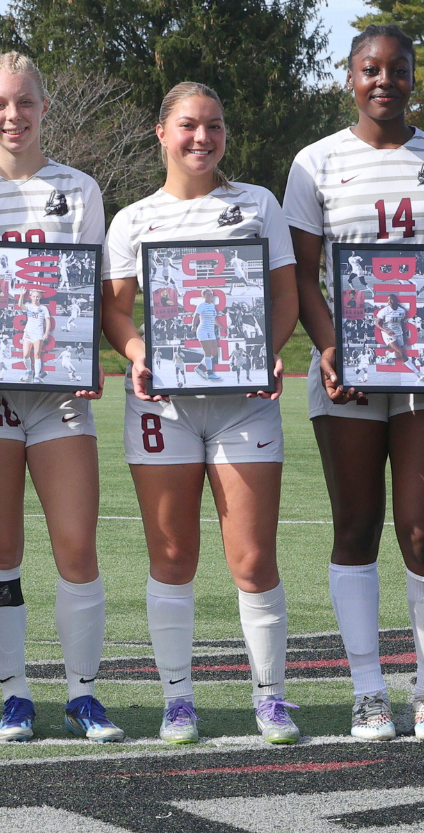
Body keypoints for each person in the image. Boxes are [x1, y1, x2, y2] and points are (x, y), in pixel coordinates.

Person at [285, 25, 424, 742]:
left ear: (412, 77)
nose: (384, 80)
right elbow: (302, 275)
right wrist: (331, 347)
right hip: (350, 369)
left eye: (398, 69)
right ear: (350, 77)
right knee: (356, 525)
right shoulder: (315, 164)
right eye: (371, 68)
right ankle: (368, 690)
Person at [103, 82, 302, 745]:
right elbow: (116, 311)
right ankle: (177, 699)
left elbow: (285, 298)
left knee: (251, 558)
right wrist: (135, 352)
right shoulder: (134, 219)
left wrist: (267, 353)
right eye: (188, 125)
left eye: (214, 126)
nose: (202, 138)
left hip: (244, 404)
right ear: (161, 132)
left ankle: (271, 697)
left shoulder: (258, 205)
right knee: (173, 553)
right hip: (165, 407)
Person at [0, 53, 119, 743]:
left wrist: (90, 356)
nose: (13, 116)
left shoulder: (79, 188)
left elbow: (91, 289)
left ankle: (82, 694)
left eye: (25, 103)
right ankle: (14, 694)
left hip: (56, 392)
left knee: (76, 545)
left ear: (44, 107)